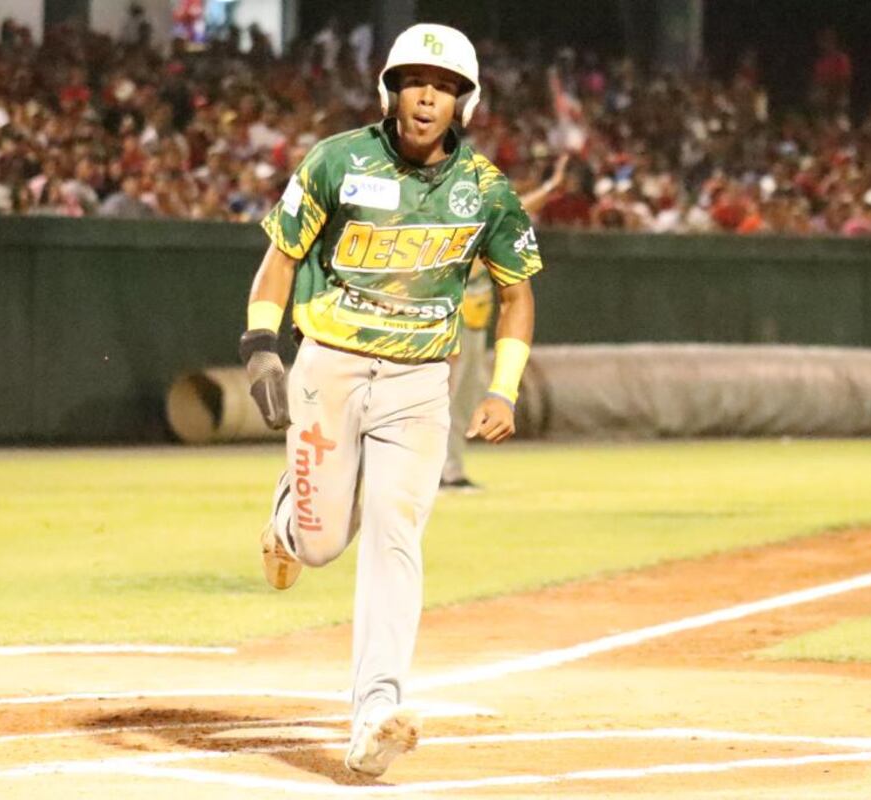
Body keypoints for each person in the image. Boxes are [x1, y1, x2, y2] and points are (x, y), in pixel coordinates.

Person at [239, 23, 543, 777]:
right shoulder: (337, 162)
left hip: (418, 386)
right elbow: (281, 259)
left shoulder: (489, 190)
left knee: (395, 535)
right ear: (390, 90)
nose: (426, 98)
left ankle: (375, 711)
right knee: (319, 544)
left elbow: (518, 295)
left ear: (464, 102)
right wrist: (259, 346)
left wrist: (503, 388)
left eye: (442, 87)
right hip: (331, 368)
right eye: (414, 82)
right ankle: (286, 520)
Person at [442, 153, 568, 490]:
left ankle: (449, 469)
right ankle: (443, 472)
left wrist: (549, 188)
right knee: (449, 399)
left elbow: (518, 208)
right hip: (451, 325)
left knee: (464, 399)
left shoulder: (482, 219)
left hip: (473, 324)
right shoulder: (456, 228)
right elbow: (517, 211)